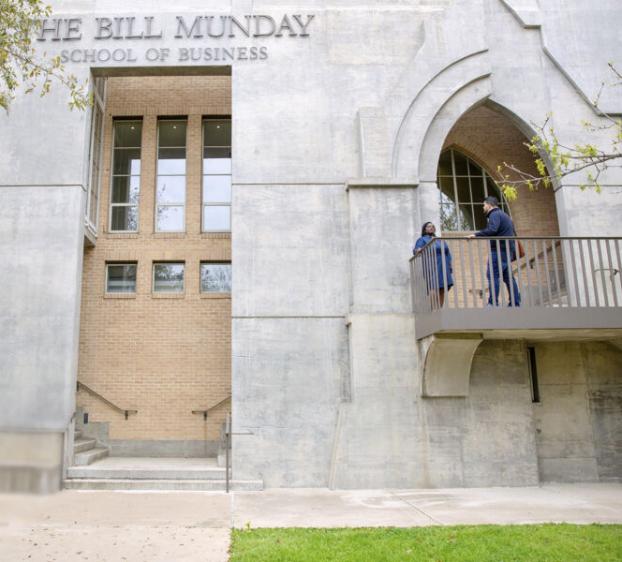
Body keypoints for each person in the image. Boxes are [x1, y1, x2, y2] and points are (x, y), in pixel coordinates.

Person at [469, 196, 521, 307]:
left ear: (489, 204)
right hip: (507, 251)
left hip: (498, 251)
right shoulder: (505, 215)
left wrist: (475, 235)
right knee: (508, 278)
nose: (483, 207)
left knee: (492, 275)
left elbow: (493, 229)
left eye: (484, 205)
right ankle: (515, 303)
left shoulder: (494, 214)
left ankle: (493, 303)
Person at [414, 222, 453, 307]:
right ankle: (433, 310)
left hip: (444, 266)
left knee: (442, 288)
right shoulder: (422, 239)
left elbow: (447, 252)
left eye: (432, 226)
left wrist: (450, 265)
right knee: (433, 287)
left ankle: (439, 310)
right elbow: (416, 250)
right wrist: (418, 250)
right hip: (432, 266)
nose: (431, 228)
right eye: (429, 226)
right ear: (425, 229)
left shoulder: (439, 240)